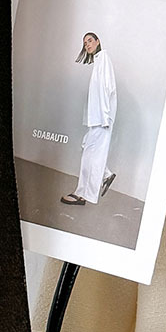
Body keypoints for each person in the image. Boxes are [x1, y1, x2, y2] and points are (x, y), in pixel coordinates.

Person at [62, 30, 117, 205]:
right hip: (97, 118)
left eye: (90, 40)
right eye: (85, 43)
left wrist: (105, 117)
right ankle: (106, 175)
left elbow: (108, 88)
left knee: (93, 155)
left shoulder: (104, 58)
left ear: (98, 41)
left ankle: (83, 195)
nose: (87, 45)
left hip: (102, 119)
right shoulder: (98, 60)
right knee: (88, 149)